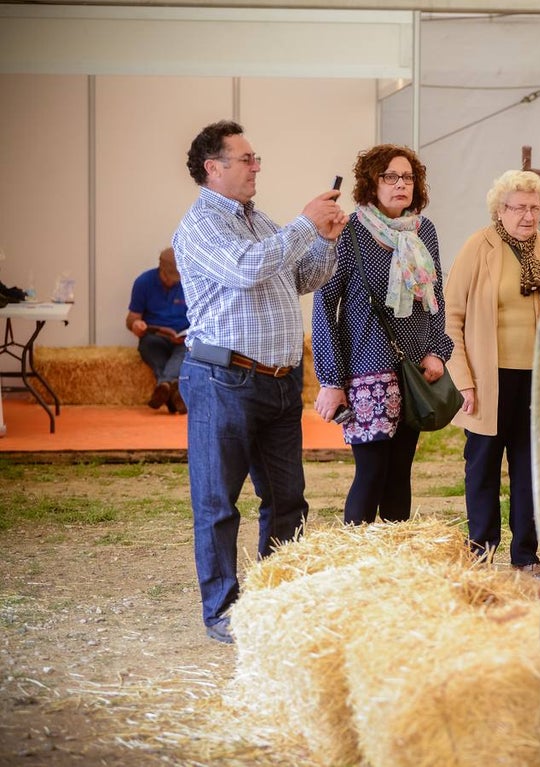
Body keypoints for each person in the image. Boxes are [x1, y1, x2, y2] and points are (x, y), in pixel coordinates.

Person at [173, 120, 347, 644]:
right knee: (219, 502)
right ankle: (223, 610)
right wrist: (302, 226)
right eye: (246, 159)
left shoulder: (261, 221)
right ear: (214, 167)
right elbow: (246, 269)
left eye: (255, 159)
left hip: (277, 381)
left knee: (288, 498)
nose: (256, 167)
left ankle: (275, 597)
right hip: (222, 378)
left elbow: (299, 278)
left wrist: (326, 242)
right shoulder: (201, 224)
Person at [312, 144, 453, 526]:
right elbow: (325, 306)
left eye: (407, 177)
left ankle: (392, 567)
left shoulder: (425, 231)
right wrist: (330, 379)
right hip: (364, 373)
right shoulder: (350, 231)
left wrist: (437, 351)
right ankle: (358, 563)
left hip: (412, 373)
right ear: (371, 184)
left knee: (399, 474)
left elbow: (435, 297)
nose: (400, 184)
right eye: (389, 176)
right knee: (371, 473)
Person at [444, 170, 540, 576]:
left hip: (536, 379)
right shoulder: (479, 247)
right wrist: (464, 380)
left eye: (535, 208)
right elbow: (450, 318)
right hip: (488, 378)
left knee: (529, 467)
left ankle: (525, 553)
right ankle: (482, 550)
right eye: (519, 207)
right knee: (484, 464)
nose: (528, 216)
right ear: (500, 210)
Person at [125, 247, 189, 414]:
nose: (172, 281)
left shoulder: (189, 284)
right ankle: (173, 389)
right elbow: (131, 318)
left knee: (185, 351)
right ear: (160, 268)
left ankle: (164, 385)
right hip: (155, 337)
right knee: (148, 346)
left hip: (182, 338)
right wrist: (136, 325)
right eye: (169, 276)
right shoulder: (143, 282)